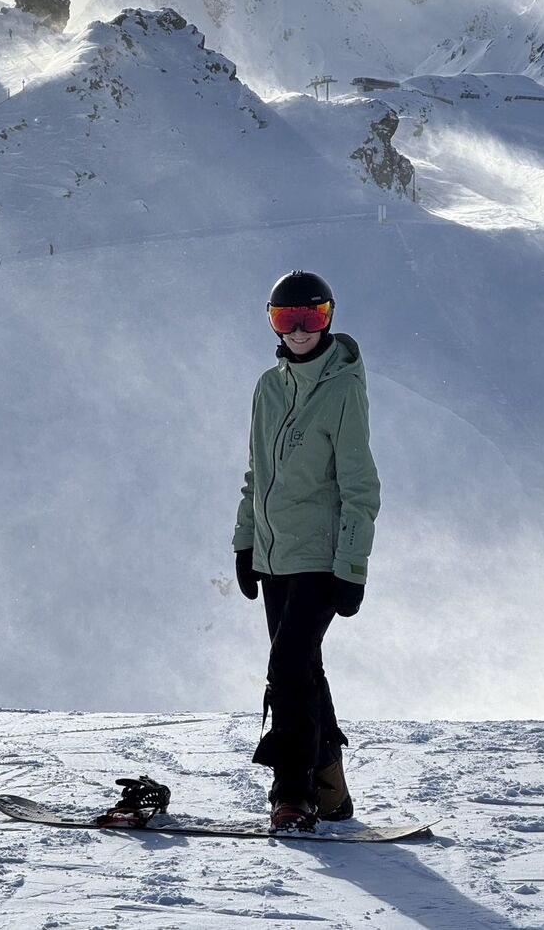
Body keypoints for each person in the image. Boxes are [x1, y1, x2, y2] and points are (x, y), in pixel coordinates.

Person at [232, 270, 380, 832]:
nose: (297, 331)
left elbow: (360, 486)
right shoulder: (267, 388)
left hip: (320, 557)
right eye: (284, 319)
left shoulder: (343, 388)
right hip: (274, 558)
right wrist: (245, 542)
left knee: (287, 667)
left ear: (329, 318)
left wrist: (352, 567)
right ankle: (331, 788)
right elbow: (256, 474)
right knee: (304, 670)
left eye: (310, 318)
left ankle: (291, 793)